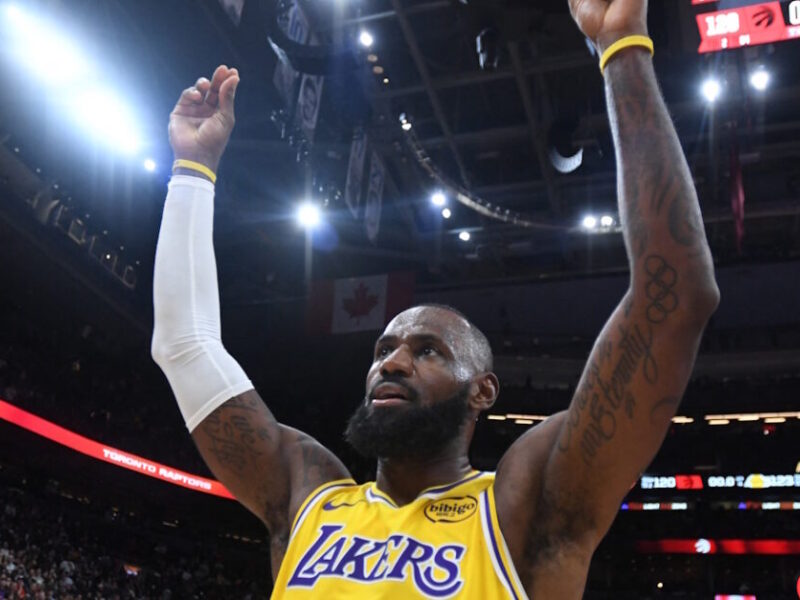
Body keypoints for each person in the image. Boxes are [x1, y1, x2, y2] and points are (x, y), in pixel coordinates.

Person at [151, 0, 719, 596]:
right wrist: (193, 170)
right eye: (384, 349)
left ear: (484, 391)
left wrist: (623, 47)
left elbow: (674, 295)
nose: (393, 362)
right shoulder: (307, 495)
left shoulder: (522, 508)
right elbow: (185, 346)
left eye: (429, 351)